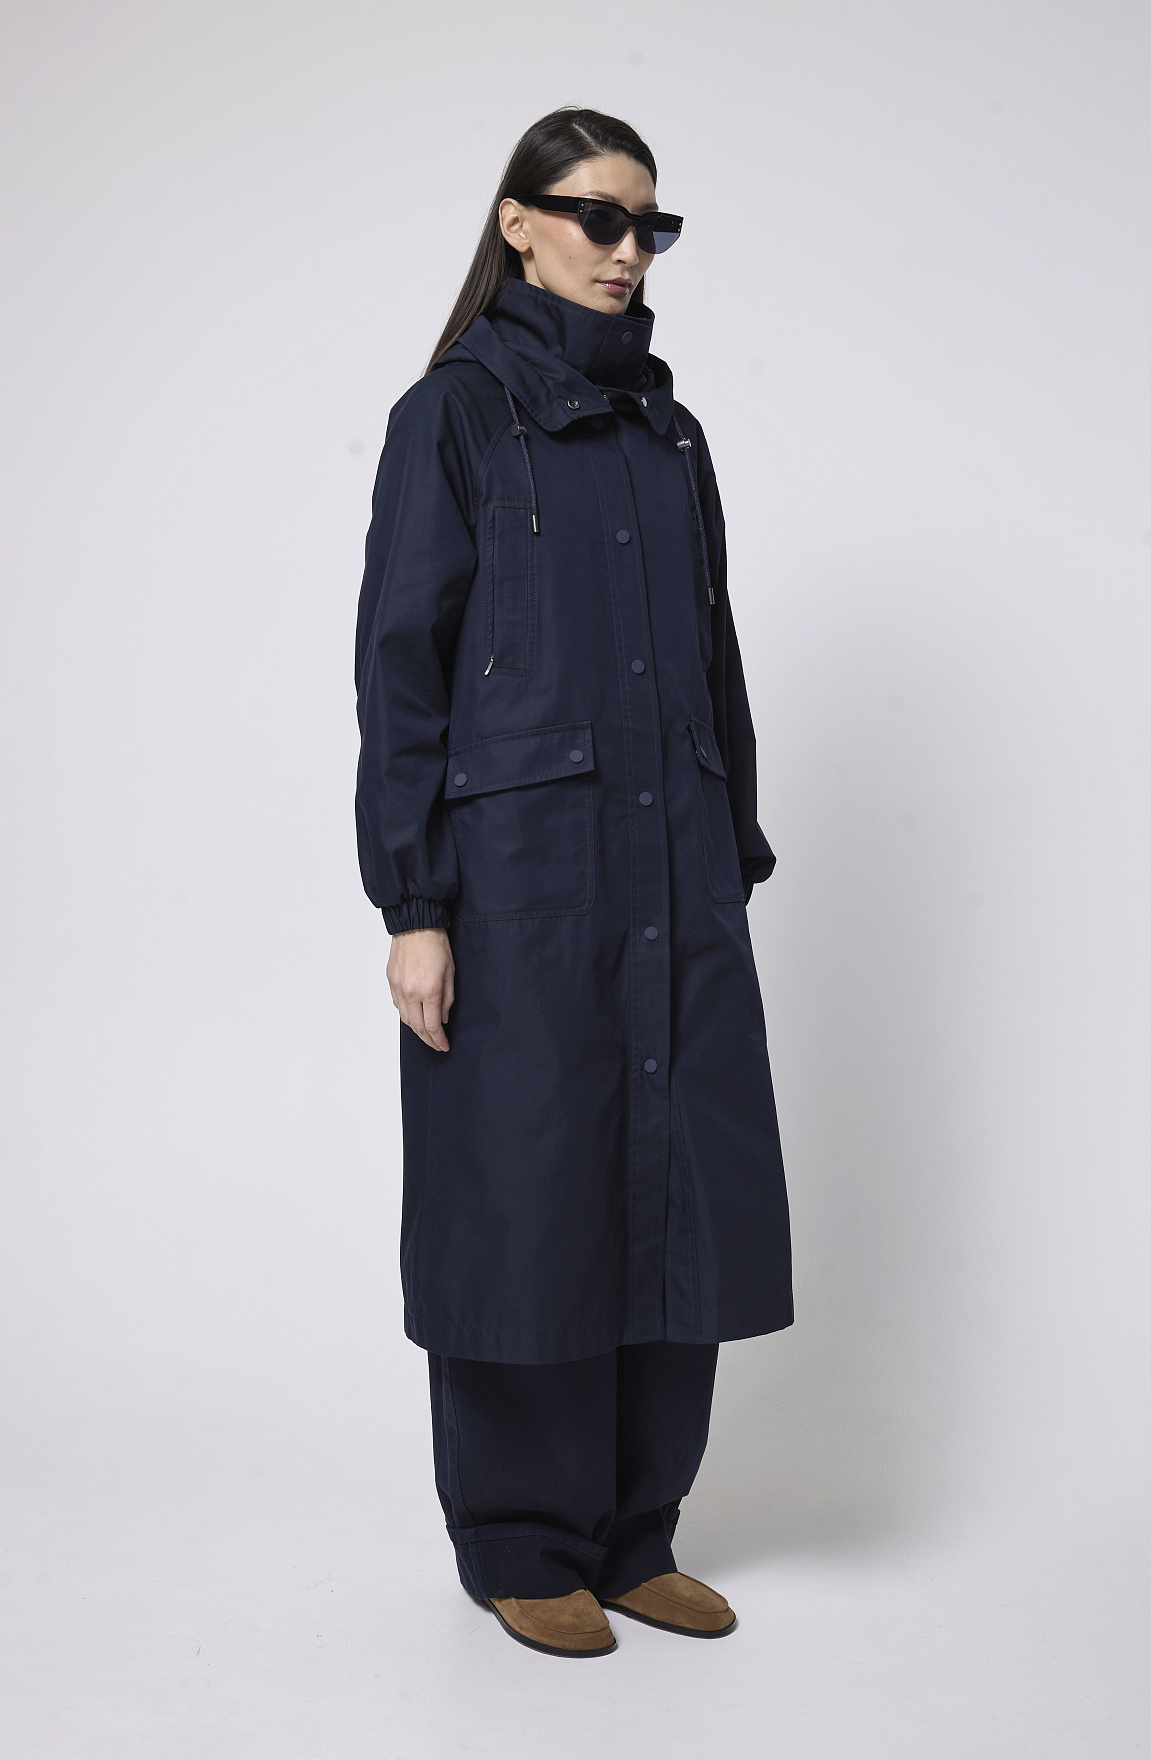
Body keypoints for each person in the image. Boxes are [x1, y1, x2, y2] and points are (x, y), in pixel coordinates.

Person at [354, 107, 793, 1658]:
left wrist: (731, 851)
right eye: (597, 217)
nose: (625, 251)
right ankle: (520, 1540)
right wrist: (414, 904)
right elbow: (400, 671)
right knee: (526, 1197)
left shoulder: (671, 436)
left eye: (647, 226)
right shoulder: (454, 417)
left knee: (674, 1199)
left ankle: (633, 1534)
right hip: (519, 882)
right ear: (519, 222)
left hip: (675, 871)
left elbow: (715, 656)